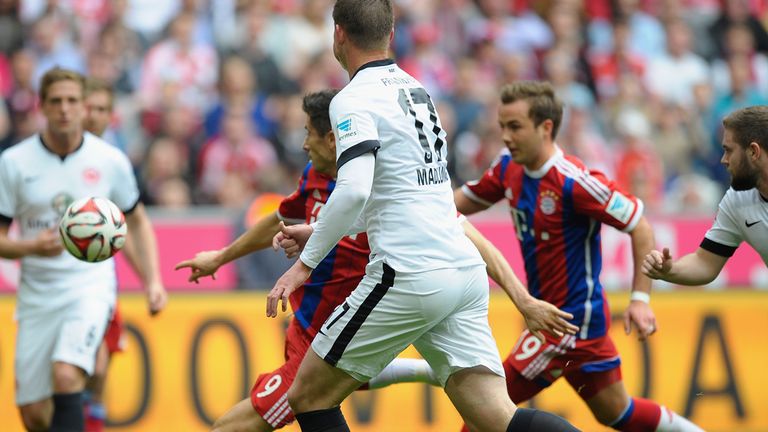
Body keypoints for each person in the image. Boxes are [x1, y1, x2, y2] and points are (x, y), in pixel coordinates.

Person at [175, 89, 578, 432]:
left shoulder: (385, 184)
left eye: (308, 134)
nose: (302, 144)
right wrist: (221, 258)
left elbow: (468, 235)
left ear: (334, 139)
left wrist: (523, 301)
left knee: (256, 415)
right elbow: (283, 219)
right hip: (313, 329)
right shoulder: (315, 179)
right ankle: (422, 371)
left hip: (333, 333)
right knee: (492, 417)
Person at [265, 2, 580, 431]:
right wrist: (320, 230)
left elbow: (355, 189)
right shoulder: (417, 90)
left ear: (338, 33)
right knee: (496, 418)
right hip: (462, 270)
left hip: (407, 273)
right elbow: (404, 196)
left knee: (307, 395)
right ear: (391, 33)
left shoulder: (352, 99)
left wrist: (304, 266)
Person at [453, 80, 703, 432]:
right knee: (617, 412)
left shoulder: (575, 181)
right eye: (502, 127)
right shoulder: (509, 166)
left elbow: (640, 226)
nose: (506, 137)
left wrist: (640, 299)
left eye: (515, 127)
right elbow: (455, 205)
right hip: (571, 321)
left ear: (546, 127)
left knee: (483, 414)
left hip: (564, 324)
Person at [0, 68, 167, 432]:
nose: (65, 109)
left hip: (89, 289)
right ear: (41, 106)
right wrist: (30, 247)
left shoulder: (109, 160)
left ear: (83, 106)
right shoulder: (14, 163)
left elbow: (137, 221)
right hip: (37, 296)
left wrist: (153, 281)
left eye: (72, 101)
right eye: (56, 101)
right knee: (34, 415)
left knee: (67, 375)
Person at [81, 78, 164, 432]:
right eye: (89, 107)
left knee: (98, 371)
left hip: (98, 285)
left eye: (101, 110)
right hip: (52, 285)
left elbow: (126, 228)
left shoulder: (111, 162)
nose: (93, 116)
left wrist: (151, 281)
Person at [643, 105, 768, 283]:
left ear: (754, 151)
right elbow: (705, 262)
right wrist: (671, 270)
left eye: (729, 150)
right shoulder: (737, 200)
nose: (723, 160)